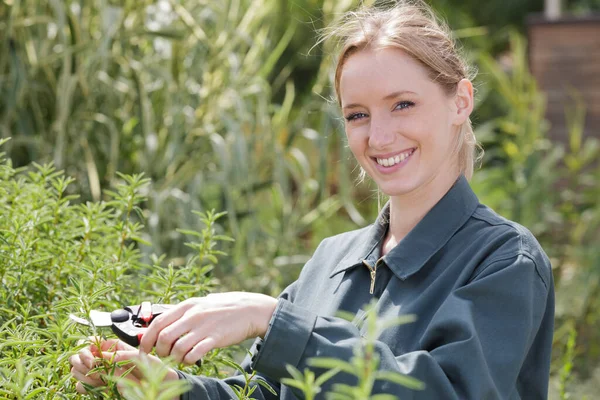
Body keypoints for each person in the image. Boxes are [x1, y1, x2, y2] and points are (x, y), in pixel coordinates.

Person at [70, 1, 555, 399]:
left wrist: (269, 318)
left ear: (460, 101)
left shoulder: (505, 261)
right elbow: (260, 393)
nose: (379, 136)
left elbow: (445, 393)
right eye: (357, 114)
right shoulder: (331, 261)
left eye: (402, 104)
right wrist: (166, 386)